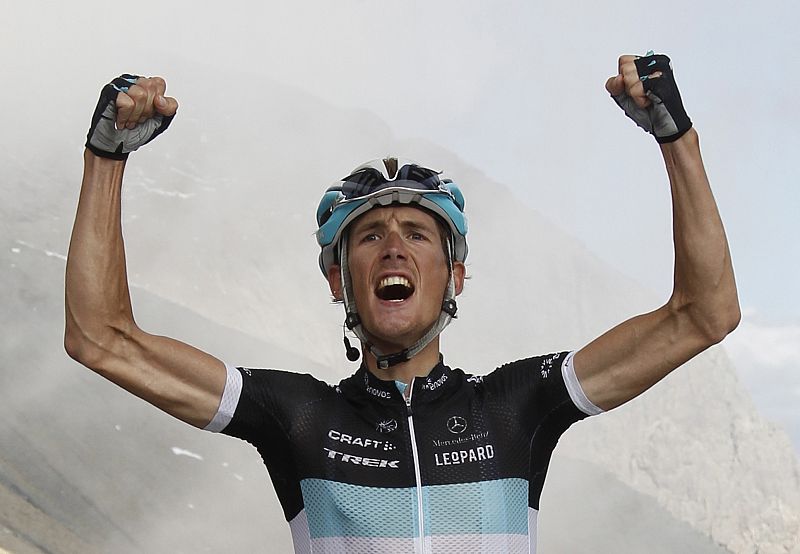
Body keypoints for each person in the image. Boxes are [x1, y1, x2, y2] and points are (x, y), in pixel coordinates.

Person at [65, 53, 740, 553]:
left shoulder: (515, 408)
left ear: (456, 277)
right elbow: (101, 337)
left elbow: (703, 315)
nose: (393, 247)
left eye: (417, 233)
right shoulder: (301, 418)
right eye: (369, 238)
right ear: (338, 283)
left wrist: (677, 140)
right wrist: (106, 157)